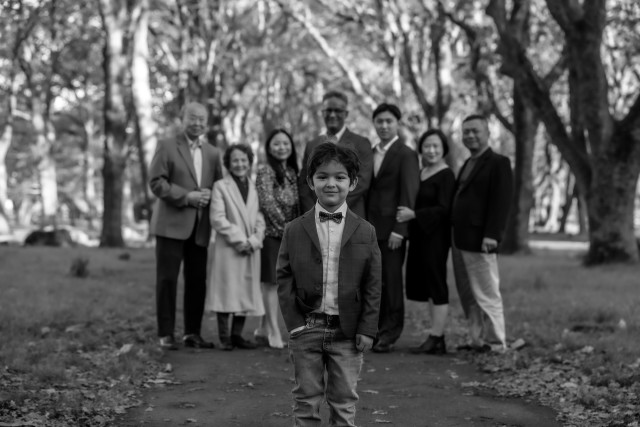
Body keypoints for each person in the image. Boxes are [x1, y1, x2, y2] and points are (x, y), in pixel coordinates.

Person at [277, 143, 381, 427]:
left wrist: (368, 328)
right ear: (311, 182)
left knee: (344, 403)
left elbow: (373, 284)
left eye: (340, 177)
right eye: (322, 176)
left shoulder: (366, 231)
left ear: (353, 182)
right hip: (306, 328)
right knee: (305, 402)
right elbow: (284, 277)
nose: (331, 183)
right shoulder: (294, 229)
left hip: (348, 332)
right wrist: (294, 324)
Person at [149, 101, 223, 350]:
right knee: (167, 280)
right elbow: (156, 182)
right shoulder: (166, 145)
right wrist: (186, 196)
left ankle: (192, 333)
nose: (197, 123)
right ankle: (166, 334)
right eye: (192, 117)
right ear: (182, 119)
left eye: (202, 119)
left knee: (197, 281)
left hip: (200, 228)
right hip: (170, 225)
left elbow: (219, 187)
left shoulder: (213, 153)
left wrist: (210, 194)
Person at [451, 114, 513, 352]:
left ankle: (496, 342)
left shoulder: (499, 163)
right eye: (466, 131)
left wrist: (492, 235)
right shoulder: (468, 163)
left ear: (488, 133)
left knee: (487, 291)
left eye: (475, 131)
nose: (470, 135)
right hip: (460, 238)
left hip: (481, 239)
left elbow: (501, 202)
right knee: (468, 294)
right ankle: (477, 340)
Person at [396, 129, 455, 355]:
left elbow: (444, 209)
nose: (431, 150)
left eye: (436, 146)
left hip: (436, 237)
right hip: (420, 236)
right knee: (429, 286)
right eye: (427, 146)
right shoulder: (422, 172)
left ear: (443, 149)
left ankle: (437, 337)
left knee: (437, 284)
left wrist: (414, 215)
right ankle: (435, 336)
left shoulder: (446, 175)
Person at [366, 103, 420, 353]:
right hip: (370, 228)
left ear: (397, 124)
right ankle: (375, 330)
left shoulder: (406, 154)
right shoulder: (369, 152)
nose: (384, 125)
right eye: (380, 121)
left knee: (392, 282)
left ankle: (391, 332)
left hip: (392, 232)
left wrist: (400, 230)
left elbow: (409, 193)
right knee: (374, 283)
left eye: (389, 121)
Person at [206, 144, 266, 351]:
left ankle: (237, 335)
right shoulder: (220, 186)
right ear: (228, 164)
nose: (240, 164)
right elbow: (217, 218)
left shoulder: (254, 187)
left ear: (249, 162)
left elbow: (260, 217)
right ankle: (225, 338)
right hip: (229, 247)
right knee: (226, 291)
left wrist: (255, 240)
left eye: (243, 160)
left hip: (251, 247)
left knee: (244, 291)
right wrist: (240, 240)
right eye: (235, 160)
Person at [253, 129, 300, 349]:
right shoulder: (265, 172)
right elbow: (267, 204)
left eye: (285, 143)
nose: (282, 147)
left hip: (290, 235)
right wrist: (287, 229)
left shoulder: (292, 172)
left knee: (282, 284)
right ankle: (273, 330)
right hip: (272, 236)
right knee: (271, 284)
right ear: (269, 148)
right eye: (276, 144)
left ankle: (262, 329)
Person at [298, 90, 373, 218]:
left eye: (338, 110)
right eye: (328, 110)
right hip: (315, 216)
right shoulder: (311, 145)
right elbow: (305, 183)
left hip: (352, 216)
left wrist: (331, 207)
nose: (332, 115)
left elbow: (362, 182)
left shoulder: (362, 143)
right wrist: (315, 210)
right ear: (322, 112)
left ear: (346, 114)